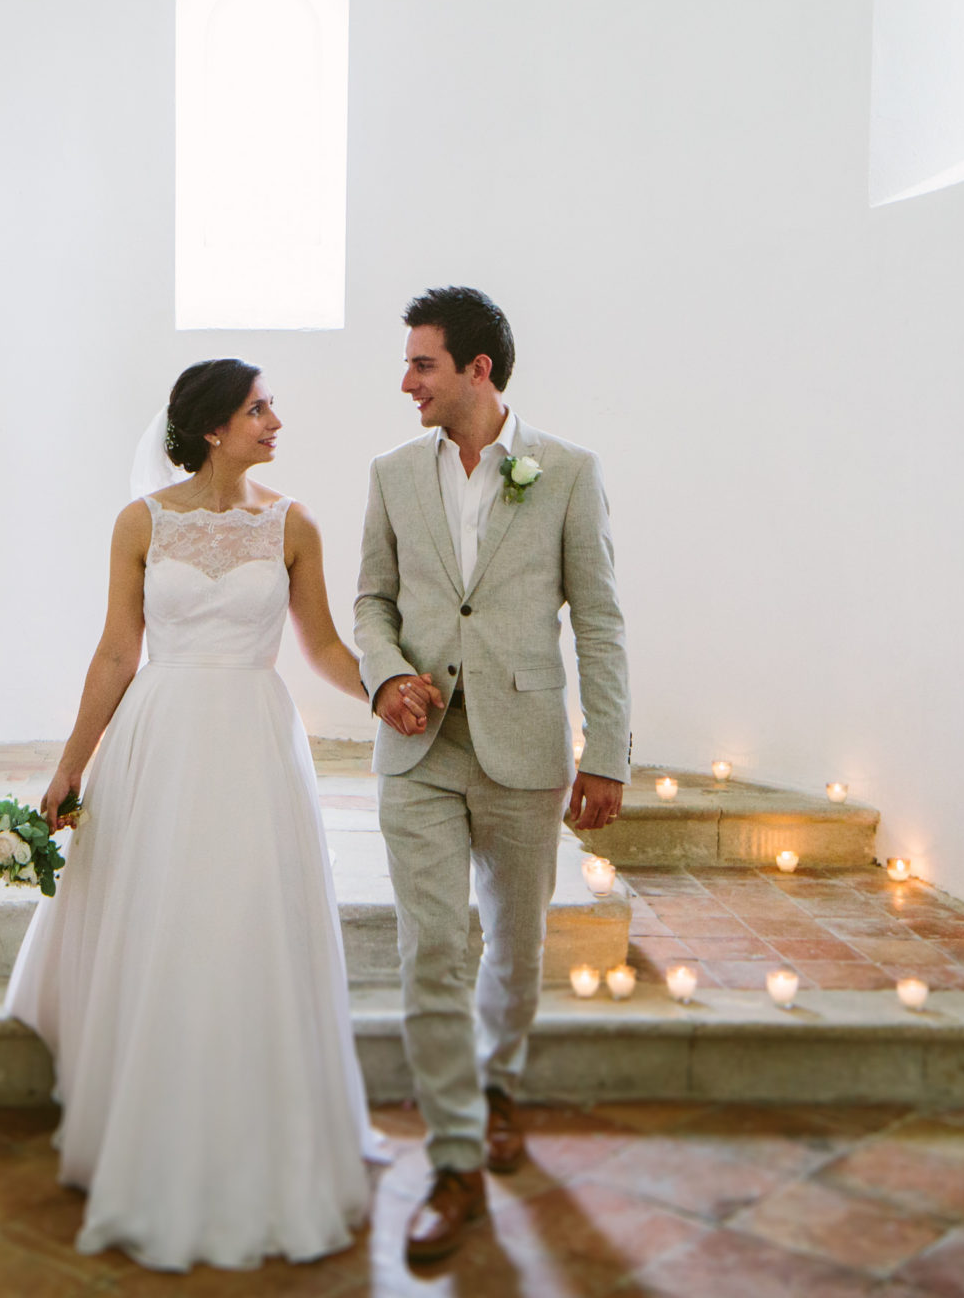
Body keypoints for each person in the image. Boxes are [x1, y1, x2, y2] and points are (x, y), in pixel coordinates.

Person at [4, 358, 378, 1272]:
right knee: (165, 927)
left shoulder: (293, 525)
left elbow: (322, 643)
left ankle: (261, 1146)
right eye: (259, 408)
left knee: (245, 930)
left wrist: (389, 689)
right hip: (159, 742)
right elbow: (114, 653)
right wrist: (68, 770)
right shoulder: (141, 523)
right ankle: (151, 1141)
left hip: (253, 742)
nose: (276, 421)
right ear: (214, 427)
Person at [354, 286, 631, 1263]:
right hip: (420, 752)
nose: (406, 381)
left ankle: (498, 1082)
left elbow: (598, 620)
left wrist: (608, 754)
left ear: (477, 368)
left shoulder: (565, 472)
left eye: (421, 363)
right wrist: (386, 675)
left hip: (524, 749)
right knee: (430, 948)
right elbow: (369, 604)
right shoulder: (392, 474)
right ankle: (456, 1158)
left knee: (513, 944)